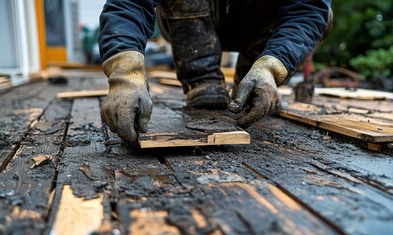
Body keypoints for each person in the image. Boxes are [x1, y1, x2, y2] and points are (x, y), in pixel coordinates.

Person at [98, 0, 332, 143]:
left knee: (323, 16)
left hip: (258, 19)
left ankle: (253, 78)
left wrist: (271, 68)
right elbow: (129, 3)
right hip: (190, 19)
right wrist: (126, 74)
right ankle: (202, 77)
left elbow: (308, 10)